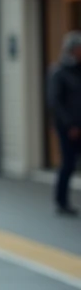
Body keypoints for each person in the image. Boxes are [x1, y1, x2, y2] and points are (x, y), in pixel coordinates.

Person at [47, 30, 81, 216]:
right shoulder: (59, 71)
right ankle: (61, 201)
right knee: (67, 164)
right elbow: (55, 102)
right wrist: (70, 125)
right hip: (68, 128)